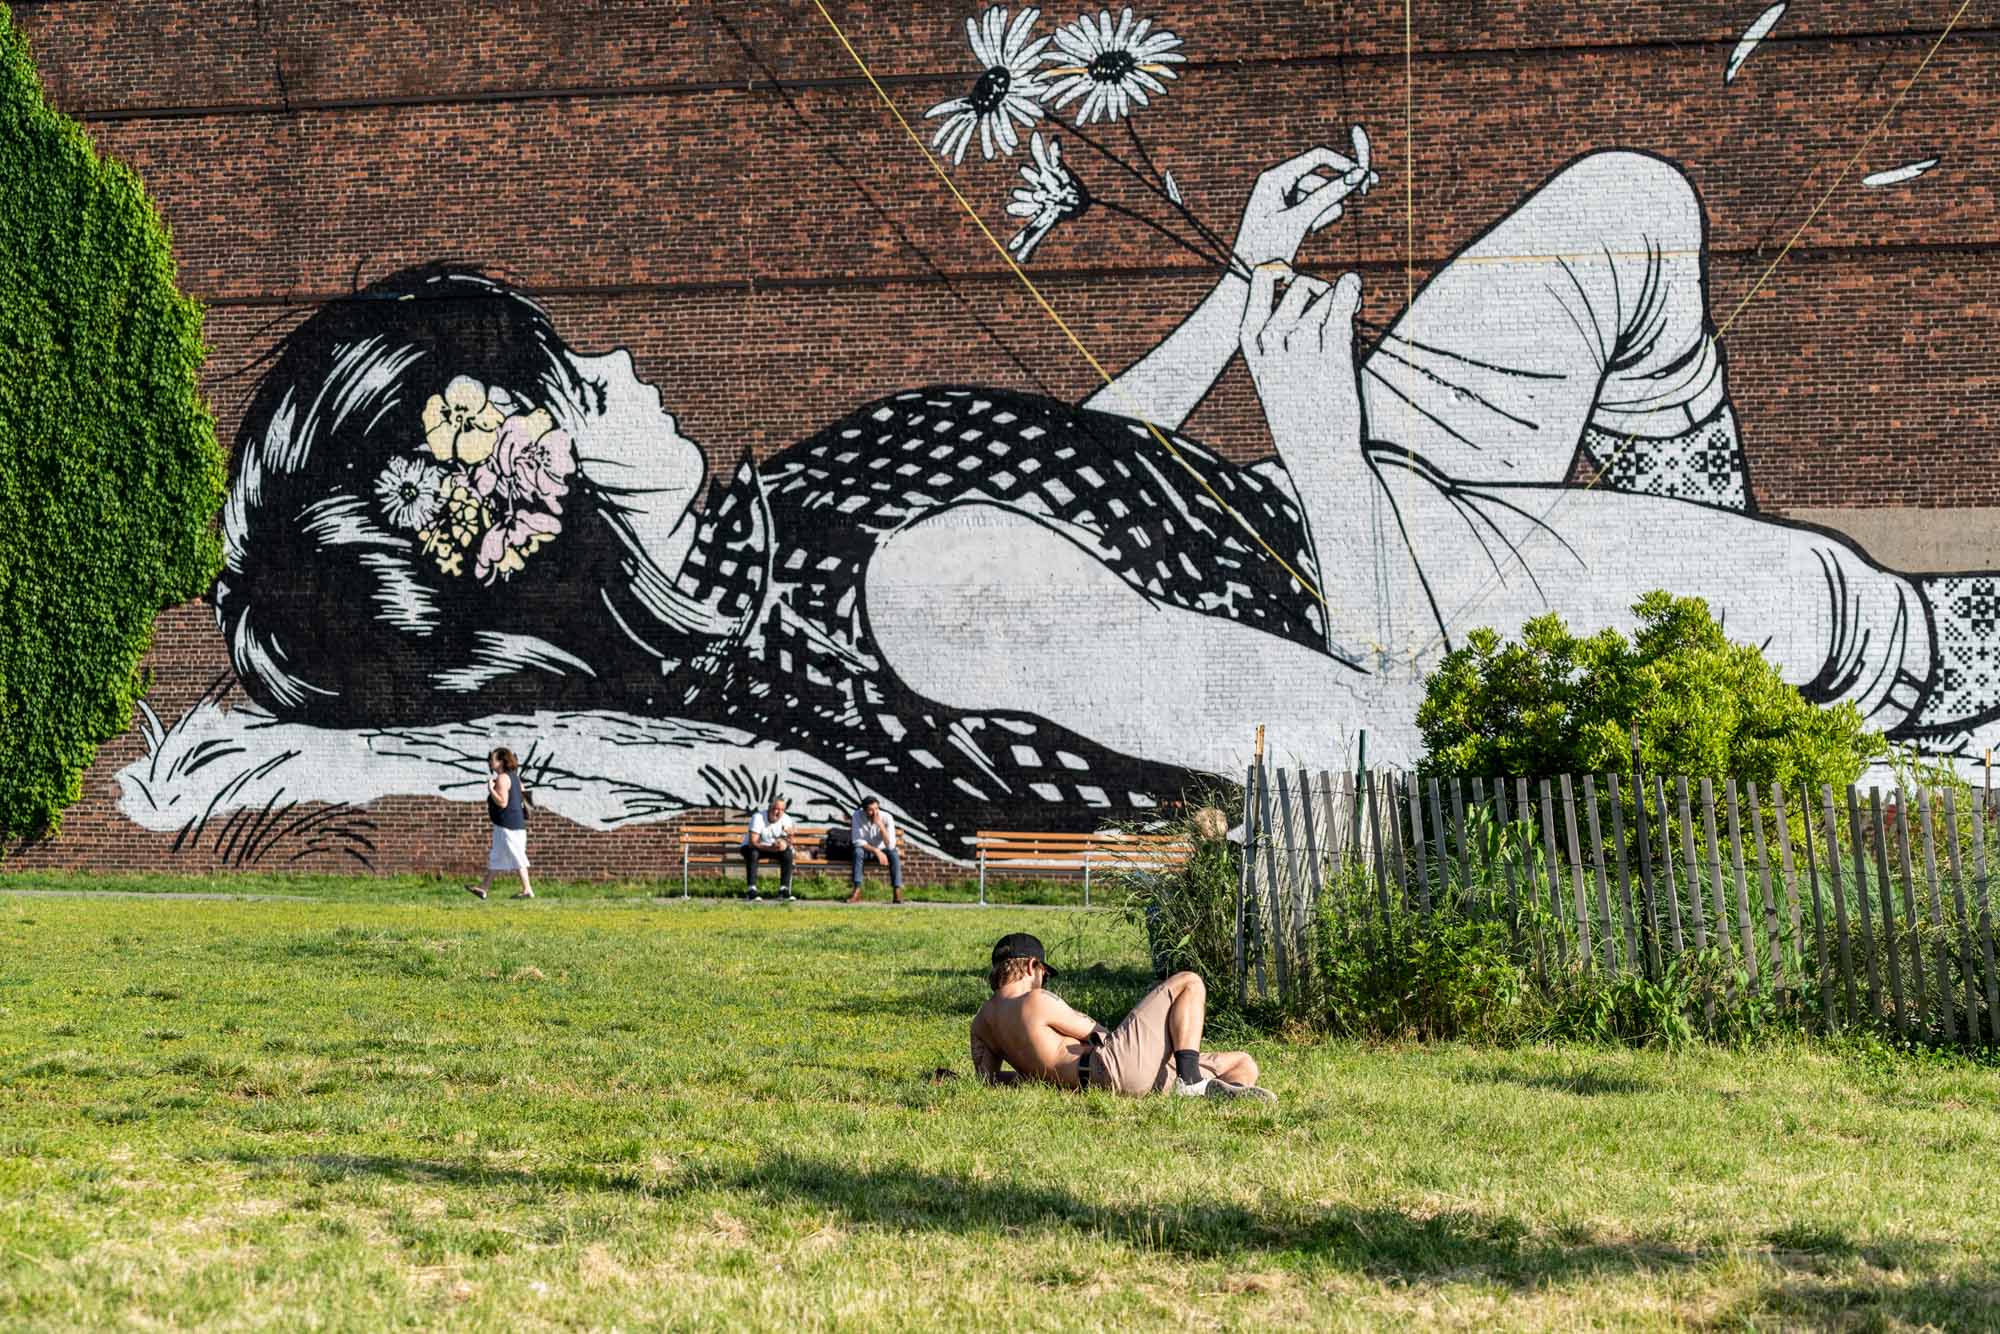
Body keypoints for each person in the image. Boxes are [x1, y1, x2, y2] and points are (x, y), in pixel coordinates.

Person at [214, 149, 2000, 860]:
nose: (615, 368)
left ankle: (1716, 643)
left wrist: (1237, 292)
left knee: (1632, 208)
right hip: (1417, 591)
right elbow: (1380, 737)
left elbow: (1045, 457)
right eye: (567, 390)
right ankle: (1752, 673)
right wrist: (1308, 431)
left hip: (1334, 490)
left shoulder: (788, 555)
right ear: (552, 530)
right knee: (1896, 622)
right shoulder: (926, 607)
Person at [970, 933, 1274, 1101]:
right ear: (1033, 966)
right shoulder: (1036, 1000)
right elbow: (1099, 1033)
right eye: (1045, 975)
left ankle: (1204, 1097)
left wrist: (1030, 1073)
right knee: (1190, 981)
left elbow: (990, 1081)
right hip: (1111, 1066)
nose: (1045, 981)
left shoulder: (982, 1022)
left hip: (1103, 1082)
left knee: (1242, 1063)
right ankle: (1191, 1082)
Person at [465, 747, 533, 900]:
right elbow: (523, 795)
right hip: (514, 824)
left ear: (501, 761)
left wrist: (491, 789)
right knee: (497, 856)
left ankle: (528, 889)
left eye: (493, 759)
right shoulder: (515, 777)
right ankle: (483, 888)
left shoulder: (503, 778)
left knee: (517, 856)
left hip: (508, 825)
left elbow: (502, 802)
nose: (490, 762)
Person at [844, 795, 904, 904]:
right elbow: (857, 841)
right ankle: (857, 891)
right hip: (866, 850)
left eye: (877, 809)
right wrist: (876, 851)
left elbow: (890, 845)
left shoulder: (887, 817)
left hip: (884, 850)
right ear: (864, 810)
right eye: (871, 810)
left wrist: (880, 825)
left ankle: (897, 892)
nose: (875, 812)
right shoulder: (857, 816)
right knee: (857, 851)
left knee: (894, 853)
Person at [741, 795, 796, 902]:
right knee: (753, 853)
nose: (779, 813)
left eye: (782, 810)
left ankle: (784, 890)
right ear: (770, 809)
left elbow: (789, 842)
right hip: (753, 847)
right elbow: (753, 842)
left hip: (772, 848)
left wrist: (787, 841)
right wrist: (772, 849)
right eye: (777, 809)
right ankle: (751, 890)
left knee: (788, 853)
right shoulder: (758, 817)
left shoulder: (786, 819)